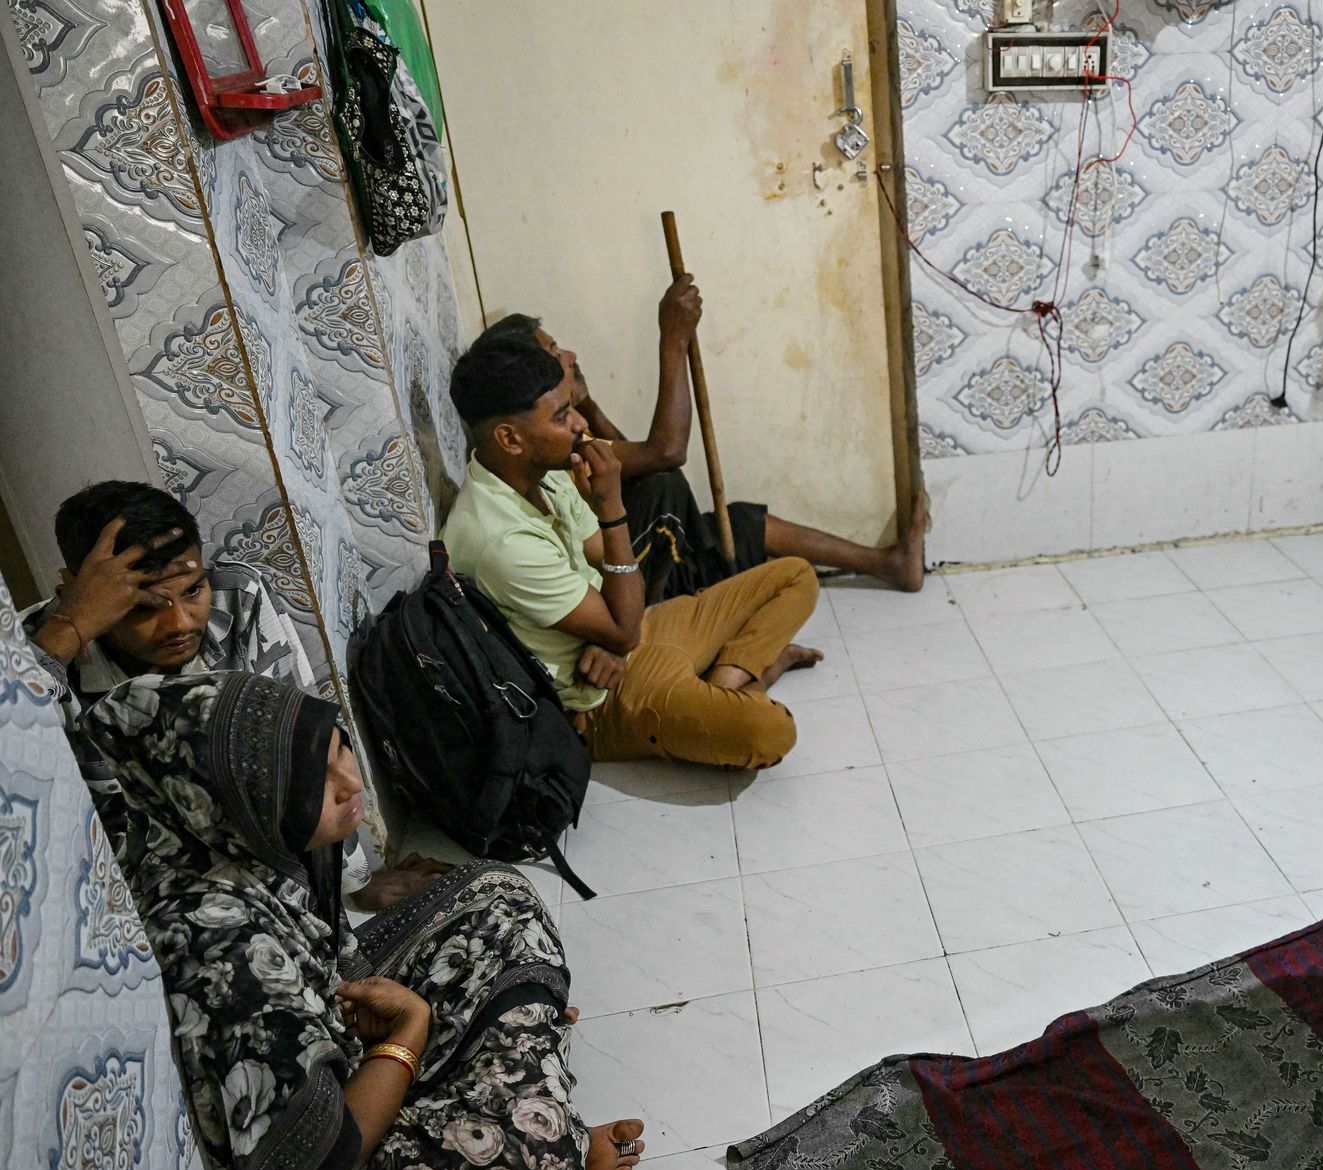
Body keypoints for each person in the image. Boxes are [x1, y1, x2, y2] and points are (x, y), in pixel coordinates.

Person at [85, 670, 645, 1170]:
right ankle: (536, 1091)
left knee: (500, 894)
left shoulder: (259, 844)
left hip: (340, 1034)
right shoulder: (221, 943)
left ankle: (514, 1050)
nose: (351, 783)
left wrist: (411, 1018)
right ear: (235, 802)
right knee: (532, 1149)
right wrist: (409, 1032)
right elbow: (325, 1161)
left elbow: (336, 968)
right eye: (312, 782)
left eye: (339, 749)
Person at [21, 481, 428, 911]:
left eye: (193, 590)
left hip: (261, 871)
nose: (179, 624)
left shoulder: (237, 601)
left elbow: (303, 760)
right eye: (143, 607)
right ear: (76, 591)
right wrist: (68, 630)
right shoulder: (33, 656)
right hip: (143, 898)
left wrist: (351, 885)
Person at [444, 336, 818, 770]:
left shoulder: (541, 474)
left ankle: (725, 686)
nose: (580, 423)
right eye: (562, 415)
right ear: (510, 438)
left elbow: (614, 575)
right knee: (771, 733)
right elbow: (620, 622)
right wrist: (612, 509)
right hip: (602, 699)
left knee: (796, 576)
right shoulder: (500, 539)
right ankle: (745, 676)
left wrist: (619, 642)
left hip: (625, 644)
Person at [477, 273, 928, 601]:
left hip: (634, 549)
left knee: (740, 523)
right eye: (555, 353)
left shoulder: (565, 423)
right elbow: (663, 453)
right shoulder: (548, 442)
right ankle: (675, 613)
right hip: (622, 581)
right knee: (667, 487)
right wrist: (673, 339)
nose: (569, 354)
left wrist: (588, 403)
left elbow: (625, 459)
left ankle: (886, 564)